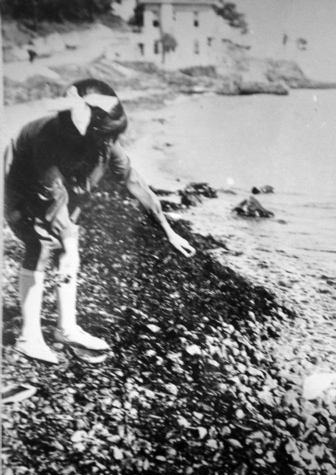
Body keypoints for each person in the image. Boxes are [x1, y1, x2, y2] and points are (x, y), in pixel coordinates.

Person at [4, 78, 195, 365]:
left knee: (69, 244)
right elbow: (54, 199)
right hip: (23, 180)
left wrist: (168, 230)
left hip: (65, 179)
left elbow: (135, 183)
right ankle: (28, 337)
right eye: (106, 137)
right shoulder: (47, 140)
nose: (111, 144)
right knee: (41, 244)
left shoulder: (104, 143)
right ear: (88, 134)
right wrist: (66, 239)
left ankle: (66, 329)